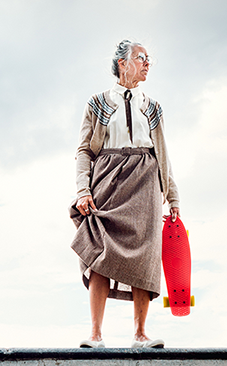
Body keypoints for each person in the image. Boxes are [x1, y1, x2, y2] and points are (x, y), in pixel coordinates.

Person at [69, 40, 180, 349]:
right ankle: (95, 334)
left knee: (145, 258)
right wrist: (82, 189)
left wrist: (172, 197)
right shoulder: (98, 102)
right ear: (122, 63)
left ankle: (141, 334)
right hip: (106, 180)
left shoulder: (153, 107)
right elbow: (83, 151)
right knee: (100, 254)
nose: (147, 63)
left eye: (149, 59)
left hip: (146, 183)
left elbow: (163, 154)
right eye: (141, 58)